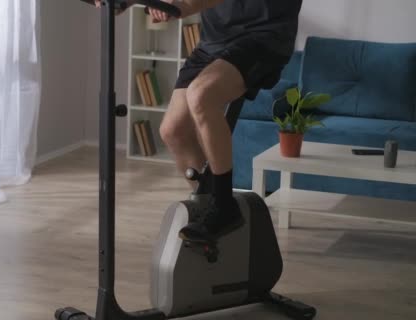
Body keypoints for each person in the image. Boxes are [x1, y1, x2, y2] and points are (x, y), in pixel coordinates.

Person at [96, 0, 303, 244]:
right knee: (173, 131)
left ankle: (225, 206)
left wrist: (181, 5)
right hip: (213, 43)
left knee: (201, 95)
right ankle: (207, 206)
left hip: (263, 38)